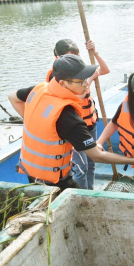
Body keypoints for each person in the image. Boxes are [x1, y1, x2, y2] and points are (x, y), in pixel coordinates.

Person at [8, 54, 134, 191]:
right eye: (80, 81)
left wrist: (37, 123)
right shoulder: (66, 116)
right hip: (55, 182)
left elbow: (12, 97)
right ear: (63, 83)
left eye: (86, 79)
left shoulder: (38, 89)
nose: (86, 85)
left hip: (32, 173)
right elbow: (96, 155)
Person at [46, 39, 110, 190]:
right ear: (59, 57)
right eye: (69, 56)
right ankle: (83, 199)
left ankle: (90, 192)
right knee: (81, 168)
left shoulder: (82, 72)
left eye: (75, 55)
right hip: (75, 128)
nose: (73, 59)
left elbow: (105, 70)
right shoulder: (57, 76)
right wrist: (86, 82)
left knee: (92, 163)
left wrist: (94, 52)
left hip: (90, 123)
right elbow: (70, 98)